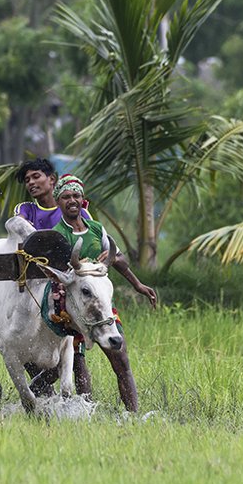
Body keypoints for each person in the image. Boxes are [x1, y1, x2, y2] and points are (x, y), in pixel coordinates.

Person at [41, 173, 157, 404]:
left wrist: (137, 284)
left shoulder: (96, 229)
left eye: (76, 195)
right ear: (58, 201)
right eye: (65, 197)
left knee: (121, 359)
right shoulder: (57, 235)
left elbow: (119, 257)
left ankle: (132, 416)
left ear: (83, 200)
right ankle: (85, 410)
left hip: (102, 305)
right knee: (77, 363)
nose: (72, 200)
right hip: (74, 309)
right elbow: (54, 274)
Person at [13, 158, 91, 230]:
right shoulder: (26, 209)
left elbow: (93, 237)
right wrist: (22, 224)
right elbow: (18, 221)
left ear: (52, 179)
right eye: (27, 180)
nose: (31, 182)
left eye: (36, 177)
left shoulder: (75, 210)